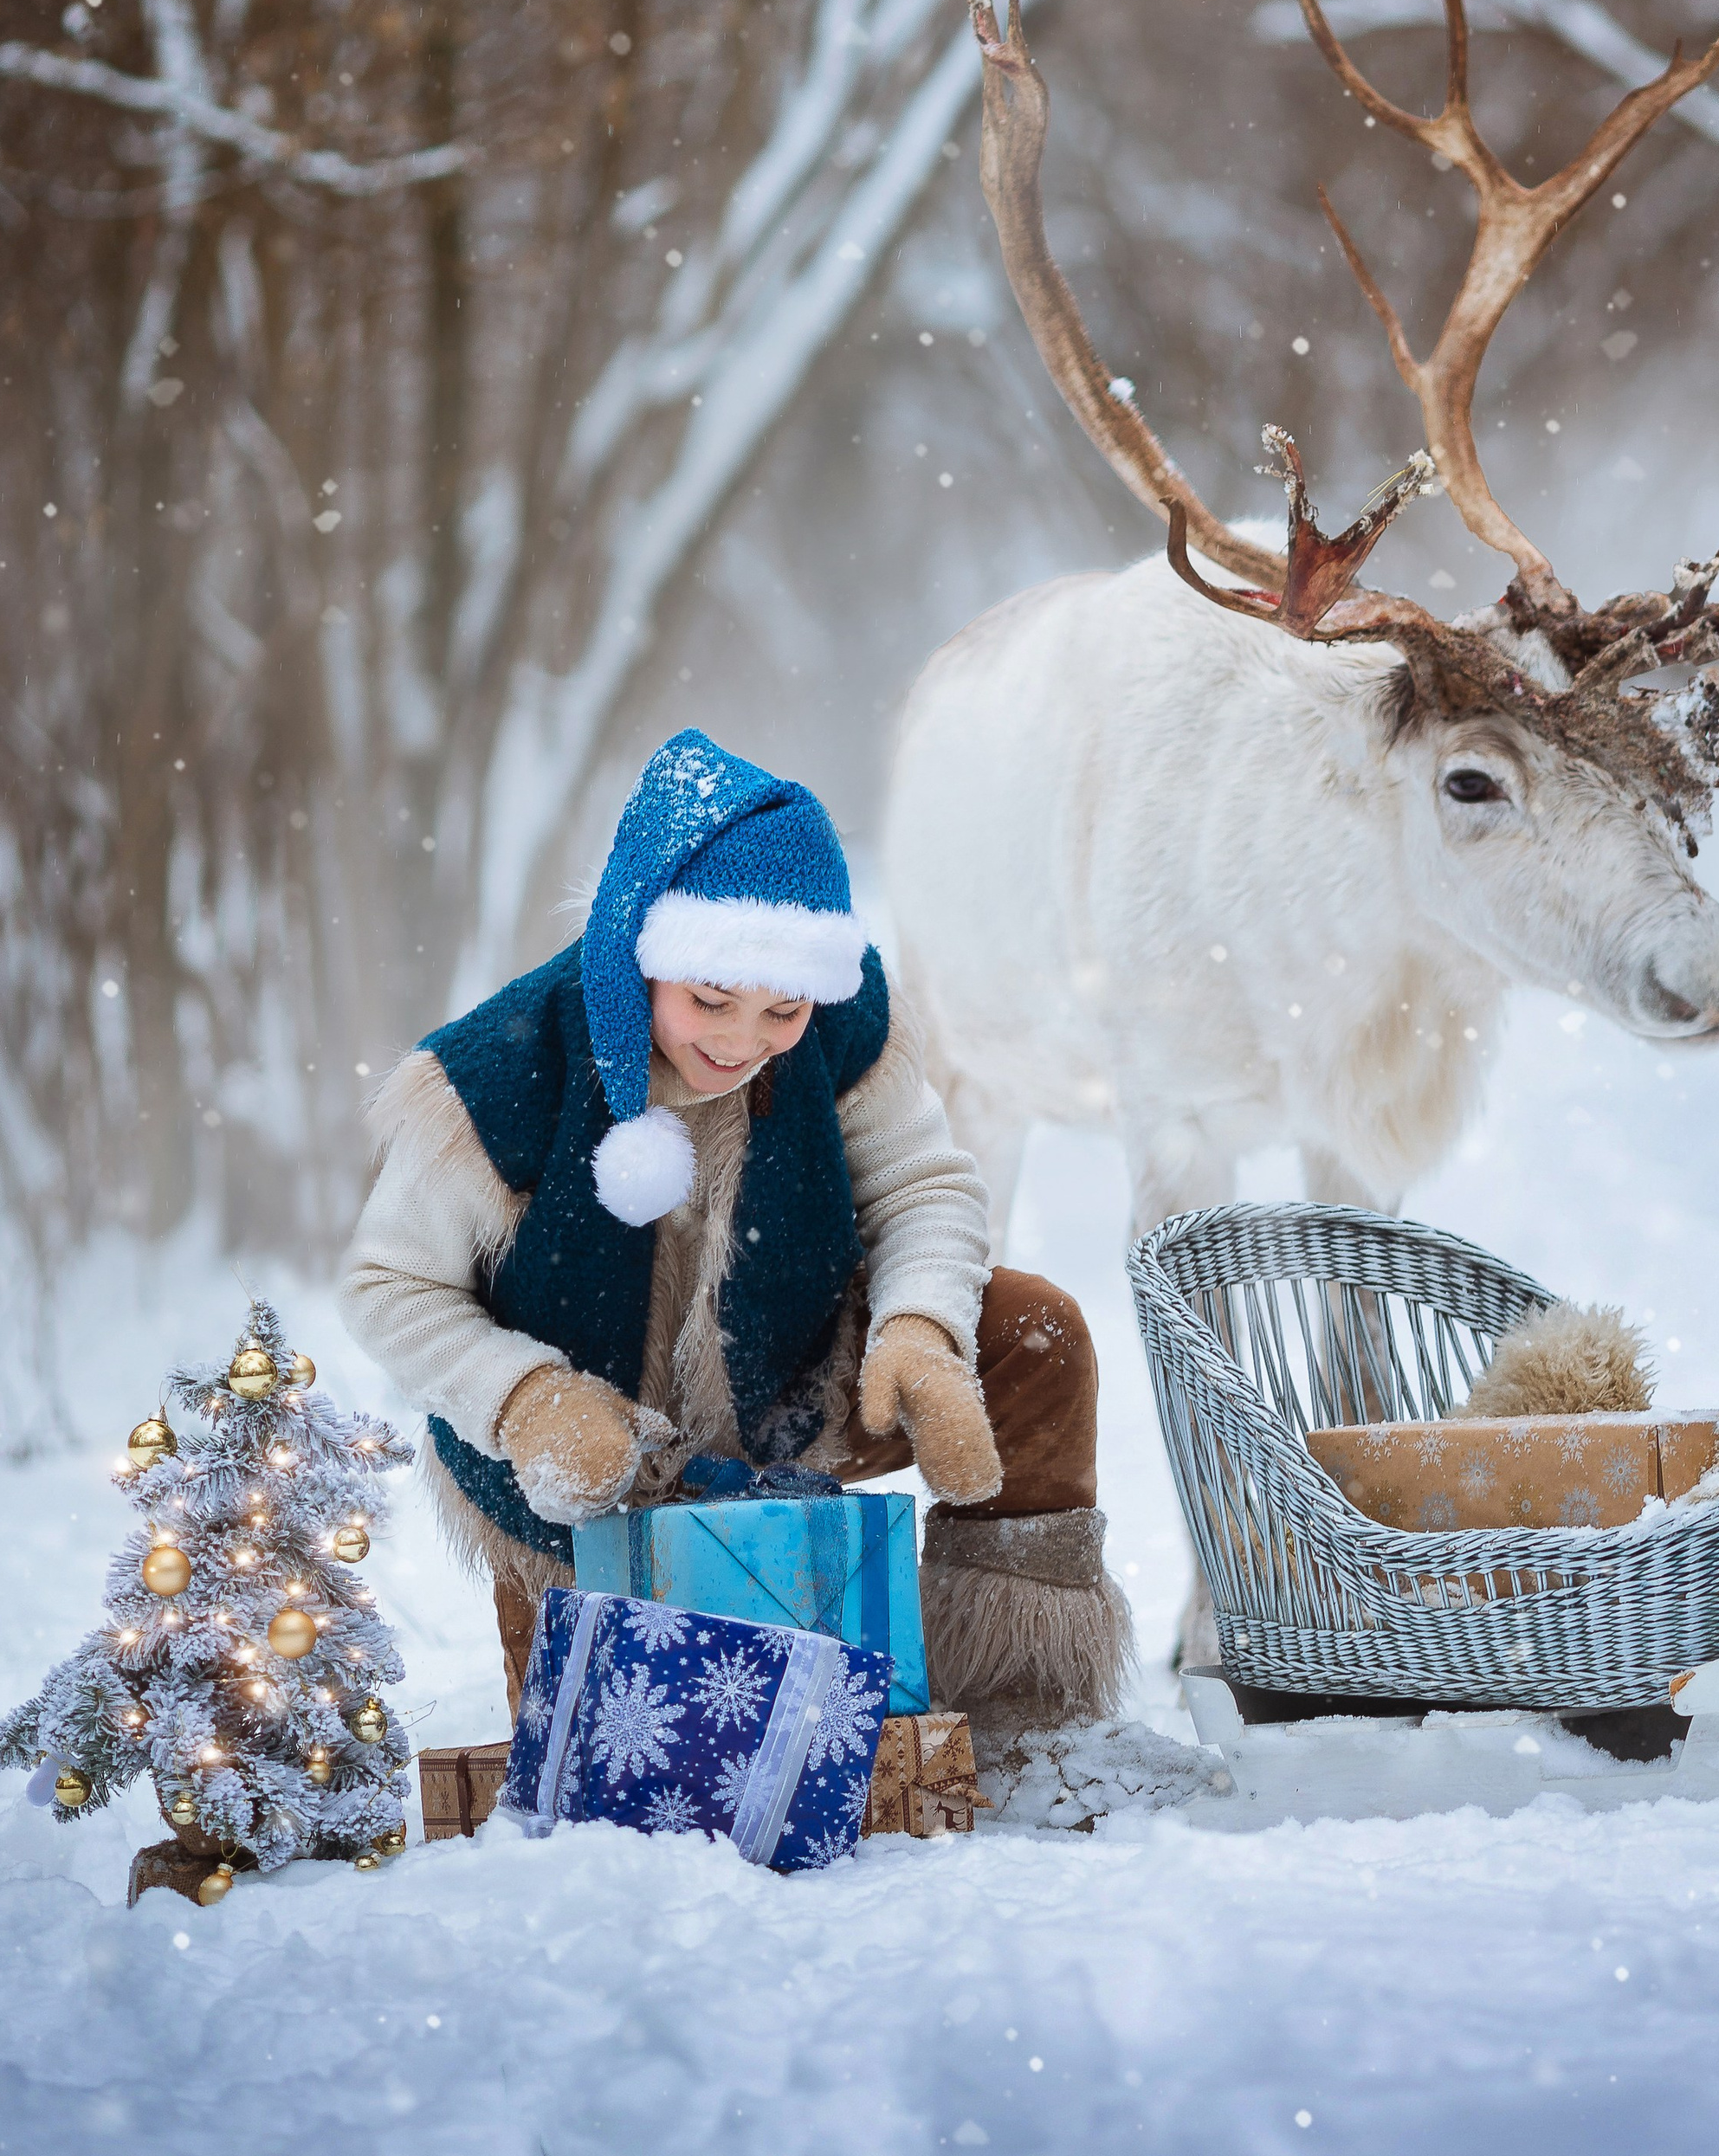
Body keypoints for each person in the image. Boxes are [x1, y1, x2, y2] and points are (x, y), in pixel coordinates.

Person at [338, 728, 1129, 1732]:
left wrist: (920, 1331)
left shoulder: (847, 1025)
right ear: (642, 948)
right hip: (578, 1473)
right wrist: (528, 1402)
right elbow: (388, 1286)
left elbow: (922, 1184)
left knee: (1031, 1331)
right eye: (710, 1000)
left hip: (787, 1388)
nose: (741, 1042)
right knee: (623, 1752)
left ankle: (1018, 1710)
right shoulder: (499, 1073)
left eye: (781, 1011)